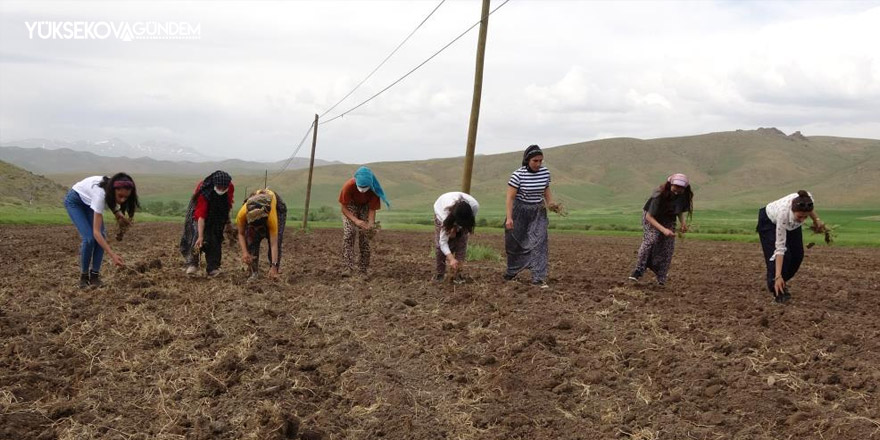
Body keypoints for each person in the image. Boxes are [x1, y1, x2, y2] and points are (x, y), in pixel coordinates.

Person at [64, 173, 140, 288]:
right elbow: (96, 233)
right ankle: (84, 277)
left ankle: (95, 276)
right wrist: (112, 255)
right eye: (120, 196)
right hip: (76, 201)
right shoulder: (100, 195)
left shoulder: (112, 186)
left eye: (126, 197)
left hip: (89, 202)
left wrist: (118, 213)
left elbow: (110, 198)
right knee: (89, 238)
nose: (123, 200)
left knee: (102, 237)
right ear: (114, 190)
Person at [504, 144, 561, 288]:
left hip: (538, 210)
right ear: (527, 160)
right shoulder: (518, 175)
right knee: (515, 242)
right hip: (520, 210)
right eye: (535, 161)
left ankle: (538, 277)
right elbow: (510, 198)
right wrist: (509, 218)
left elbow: (546, 190)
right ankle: (512, 271)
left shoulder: (545, 173)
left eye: (540, 161)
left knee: (539, 241)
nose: (538, 164)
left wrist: (551, 203)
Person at [756, 190, 824, 303]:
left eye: (805, 217)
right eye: (800, 216)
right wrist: (778, 276)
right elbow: (780, 249)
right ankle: (778, 289)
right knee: (784, 256)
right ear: (793, 211)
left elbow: (809, 210)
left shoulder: (806, 199)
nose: (802, 220)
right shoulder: (783, 215)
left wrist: (816, 220)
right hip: (769, 221)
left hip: (792, 223)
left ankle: (780, 280)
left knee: (798, 255)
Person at [628, 173, 694, 286]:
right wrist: (663, 230)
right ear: (670, 184)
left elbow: (678, 210)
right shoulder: (659, 194)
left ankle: (661, 276)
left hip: (668, 218)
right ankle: (638, 270)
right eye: (676, 186)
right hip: (652, 218)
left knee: (667, 247)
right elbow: (649, 217)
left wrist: (682, 223)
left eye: (681, 188)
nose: (678, 190)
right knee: (651, 239)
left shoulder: (682, 196)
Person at [179, 171, 235, 277]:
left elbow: (227, 204)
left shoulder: (230, 187)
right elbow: (201, 216)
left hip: (218, 211)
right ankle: (192, 264)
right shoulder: (204, 190)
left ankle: (213, 267)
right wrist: (200, 236)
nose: (222, 190)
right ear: (215, 185)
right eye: (219, 187)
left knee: (215, 236)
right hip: (198, 213)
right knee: (195, 235)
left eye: (224, 188)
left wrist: (227, 222)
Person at [338, 166, 390, 276]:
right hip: (350, 206)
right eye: (360, 186)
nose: (362, 189)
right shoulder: (348, 186)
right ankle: (348, 268)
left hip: (365, 206)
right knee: (349, 233)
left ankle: (363, 269)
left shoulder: (374, 190)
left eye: (365, 186)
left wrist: (370, 224)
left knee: (365, 237)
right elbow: (343, 208)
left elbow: (372, 209)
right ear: (356, 181)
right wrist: (356, 221)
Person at [235, 188, 287, 279]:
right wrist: (245, 252)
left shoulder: (272, 218)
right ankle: (253, 271)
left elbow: (274, 243)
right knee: (251, 237)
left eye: (259, 227)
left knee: (276, 239)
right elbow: (241, 233)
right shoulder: (242, 214)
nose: (257, 229)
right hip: (255, 209)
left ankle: (274, 271)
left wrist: (274, 265)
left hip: (277, 208)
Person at [433, 192, 479, 282]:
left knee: (462, 242)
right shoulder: (444, 215)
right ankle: (440, 274)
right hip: (441, 206)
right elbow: (442, 242)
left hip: (461, 215)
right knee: (440, 247)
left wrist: (459, 230)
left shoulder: (474, 206)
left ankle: (457, 273)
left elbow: (468, 224)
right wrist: (451, 258)